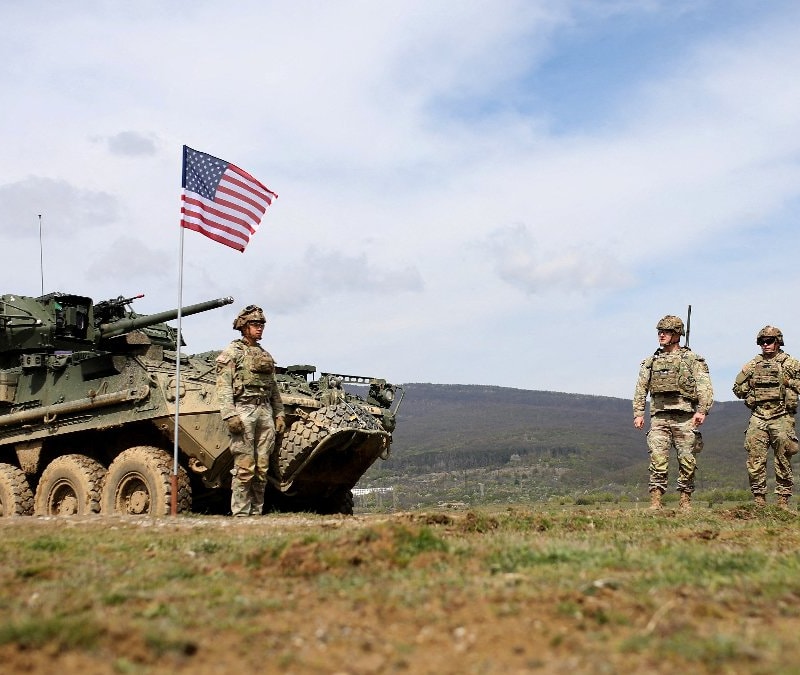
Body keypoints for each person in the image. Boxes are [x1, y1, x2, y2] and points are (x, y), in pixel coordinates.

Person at [633, 315, 713, 511]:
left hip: (685, 418)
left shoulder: (692, 359)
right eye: (660, 331)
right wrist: (638, 413)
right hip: (659, 417)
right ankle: (655, 502)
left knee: (687, 460)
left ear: (677, 334)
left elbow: (704, 386)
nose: (661, 335)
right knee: (657, 459)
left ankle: (685, 501)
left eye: (666, 331)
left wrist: (702, 410)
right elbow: (641, 388)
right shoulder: (651, 361)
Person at [216, 305, 286, 516]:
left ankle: (256, 513)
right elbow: (223, 386)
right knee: (245, 467)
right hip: (244, 409)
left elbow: (274, 389)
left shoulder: (265, 355)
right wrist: (230, 414)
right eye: (255, 324)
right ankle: (240, 513)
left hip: (265, 410)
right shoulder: (232, 352)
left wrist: (279, 413)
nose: (259, 328)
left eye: (261, 324)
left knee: (262, 467)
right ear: (244, 327)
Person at [732, 326, 800, 510]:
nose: (765, 345)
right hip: (759, 416)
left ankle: (782, 502)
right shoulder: (752, 365)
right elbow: (737, 389)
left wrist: (788, 382)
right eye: (761, 342)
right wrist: (750, 385)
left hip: (782, 416)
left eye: (769, 341)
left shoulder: (791, 364)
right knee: (755, 459)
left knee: (783, 458)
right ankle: (759, 501)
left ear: (778, 342)